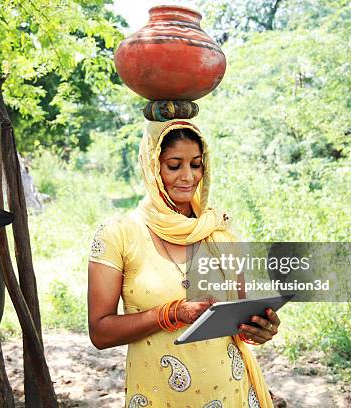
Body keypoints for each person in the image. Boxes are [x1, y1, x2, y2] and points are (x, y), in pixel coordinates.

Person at [88, 119, 280, 408]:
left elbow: (238, 319)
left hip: (232, 393)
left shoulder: (218, 232)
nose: (188, 177)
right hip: (158, 396)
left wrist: (259, 329)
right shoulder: (119, 233)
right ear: (153, 167)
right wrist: (172, 313)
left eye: (196, 164)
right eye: (174, 165)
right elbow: (101, 332)